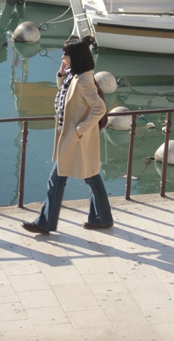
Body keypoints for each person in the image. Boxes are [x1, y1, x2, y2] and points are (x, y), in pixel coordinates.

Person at [22, 38, 113, 235]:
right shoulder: (75, 75)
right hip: (73, 138)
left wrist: (80, 129)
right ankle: (102, 218)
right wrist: (61, 75)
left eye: (66, 54)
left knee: (58, 180)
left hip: (76, 138)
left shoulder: (84, 81)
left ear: (75, 57)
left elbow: (99, 108)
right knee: (90, 177)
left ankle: (46, 223)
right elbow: (66, 95)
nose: (62, 57)